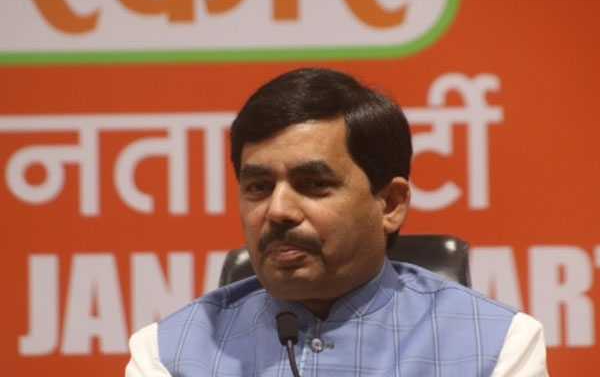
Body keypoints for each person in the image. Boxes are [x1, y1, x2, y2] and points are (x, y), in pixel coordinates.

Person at [126, 68, 548, 376]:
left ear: (390, 204)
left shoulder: (497, 346)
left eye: (313, 184)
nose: (277, 210)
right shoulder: (170, 354)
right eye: (258, 187)